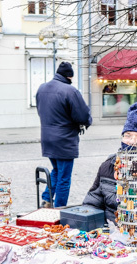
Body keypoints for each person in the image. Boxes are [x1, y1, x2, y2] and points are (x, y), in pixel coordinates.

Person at [36, 61, 92, 208]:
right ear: (69, 77)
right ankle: (60, 208)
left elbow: (40, 111)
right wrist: (87, 122)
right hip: (64, 140)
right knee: (64, 177)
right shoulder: (70, 91)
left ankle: (46, 199)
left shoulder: (42, 89)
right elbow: (82, 115)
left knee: (56, 171)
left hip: (47, 138)